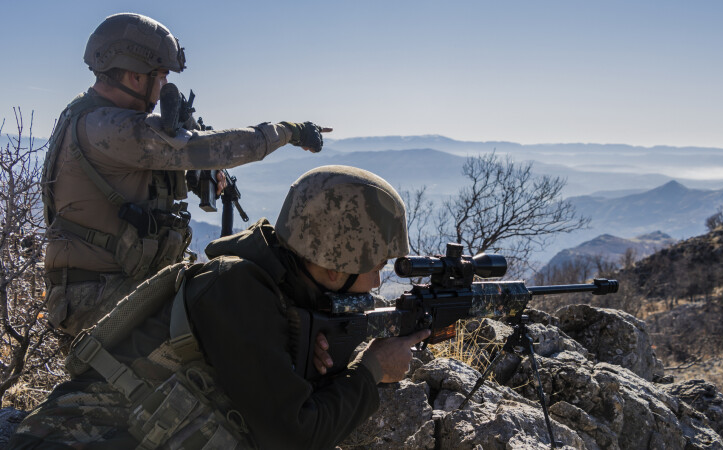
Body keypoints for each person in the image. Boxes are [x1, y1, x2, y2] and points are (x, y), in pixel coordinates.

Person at [9, 165, 430, 449]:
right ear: (334, 264)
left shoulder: (276, 284)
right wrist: (373, 369)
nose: (377, 281)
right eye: (373, 265)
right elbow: (294, 436)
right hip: (75, 438)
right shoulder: (236, 289)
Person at [42, 12, 328, 337]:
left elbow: (133, 173)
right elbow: (212, 147)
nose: (164, 86)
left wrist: (191, 178)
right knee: (238, 327)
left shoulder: (97, 117)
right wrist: (289, 131)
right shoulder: (107, 127)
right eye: (161, 76)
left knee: (243, 284)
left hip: (121, 286)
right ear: (136, 75)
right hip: (99, 299)